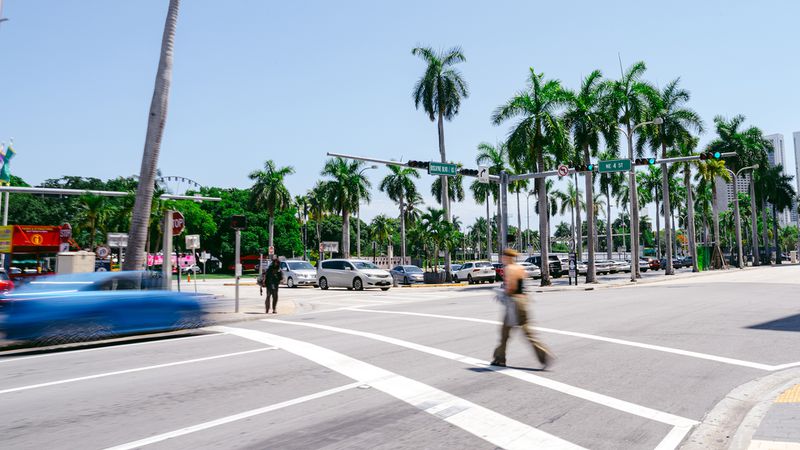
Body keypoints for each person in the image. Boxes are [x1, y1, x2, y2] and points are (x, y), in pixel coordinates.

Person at [491, 248, 552, 368]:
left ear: (507, 257)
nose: (502, 259)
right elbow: (523, 286)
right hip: (523, 301)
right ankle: (543, 355)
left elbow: (511, 287)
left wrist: (501, 294)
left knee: (505, 333)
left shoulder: (509, 269)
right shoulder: (520, 268)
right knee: (526, 332)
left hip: (513, 303)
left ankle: (500, 358)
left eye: (503, 257)